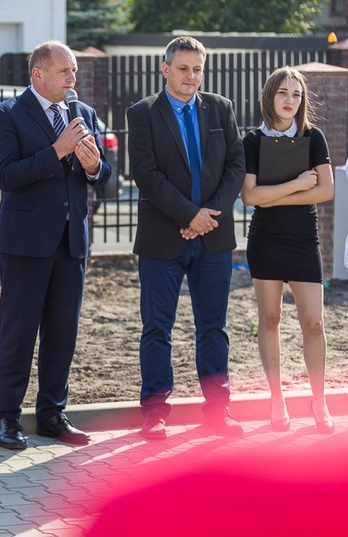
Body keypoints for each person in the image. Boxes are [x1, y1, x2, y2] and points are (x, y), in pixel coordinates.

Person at [0, 41, 111, 449]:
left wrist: (94, 167)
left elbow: (102, 175)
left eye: (74, 71)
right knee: (18, 333)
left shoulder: (84, 114)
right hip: (26, 243)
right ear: (38, 74)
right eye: (65, 72)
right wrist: (57, 151)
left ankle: (52, 415)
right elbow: (7, 175)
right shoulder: (7, 115)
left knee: (63, 333)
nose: (73, 79)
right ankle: (6, 417)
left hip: (71, 240)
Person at [127, 36, 246, 440]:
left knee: (213, 327)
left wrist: (206, 217)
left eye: (197, 69)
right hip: (163, 239)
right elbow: (146, 173)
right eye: (183, 68)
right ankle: (155, 413)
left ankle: (218, 411)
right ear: (165, 69)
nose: (191, 76)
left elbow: (236, 165)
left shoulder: (221, 108)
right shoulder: (143, 113)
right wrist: (189, 215)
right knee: (157, 327)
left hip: (213, 237)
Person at [240, 67, 334, 434]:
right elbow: (249, 197)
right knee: (271, 319)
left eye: (296, 94)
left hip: (303, 240)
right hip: (266, 240)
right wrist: (297, 184)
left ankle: (318, 400)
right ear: (270, 97)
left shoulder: (314, 138)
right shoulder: (252, 142)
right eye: (283, 93)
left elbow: (326, 190)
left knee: (314, 322)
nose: (289, 100)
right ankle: (277, 399)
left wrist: (272, 195)